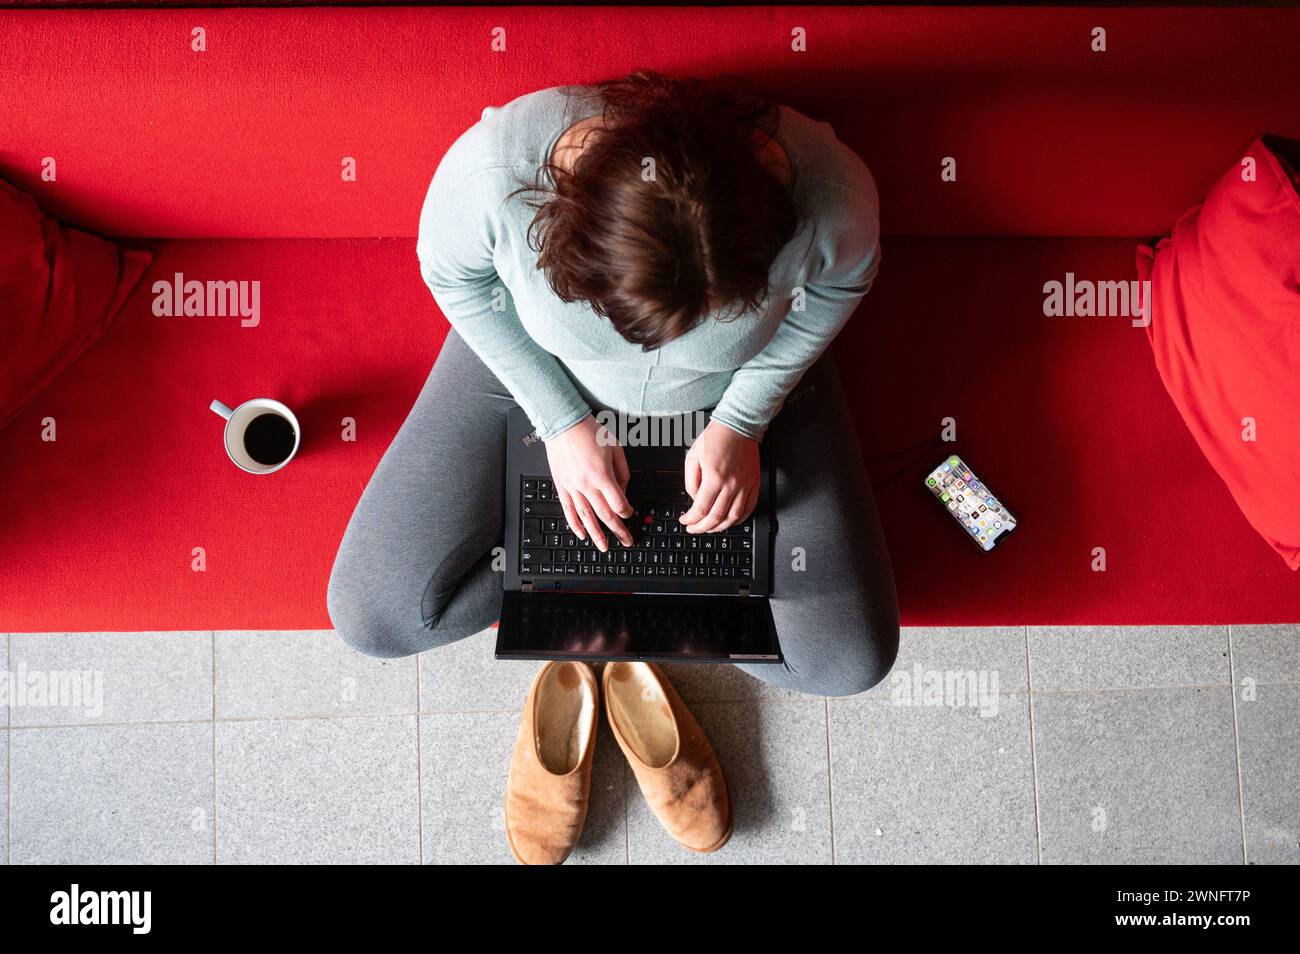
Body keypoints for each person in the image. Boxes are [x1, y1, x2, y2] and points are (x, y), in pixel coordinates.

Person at [328, 71, 898, 698]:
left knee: (847, 663)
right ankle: (639, 574)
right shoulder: (494, 176)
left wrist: (743, 419)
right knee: (373, 618)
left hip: (743, 382)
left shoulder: (832, 194)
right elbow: (454, 279)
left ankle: (629, 575)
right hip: (543, 363)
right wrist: (560, 422)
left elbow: (838, 288)